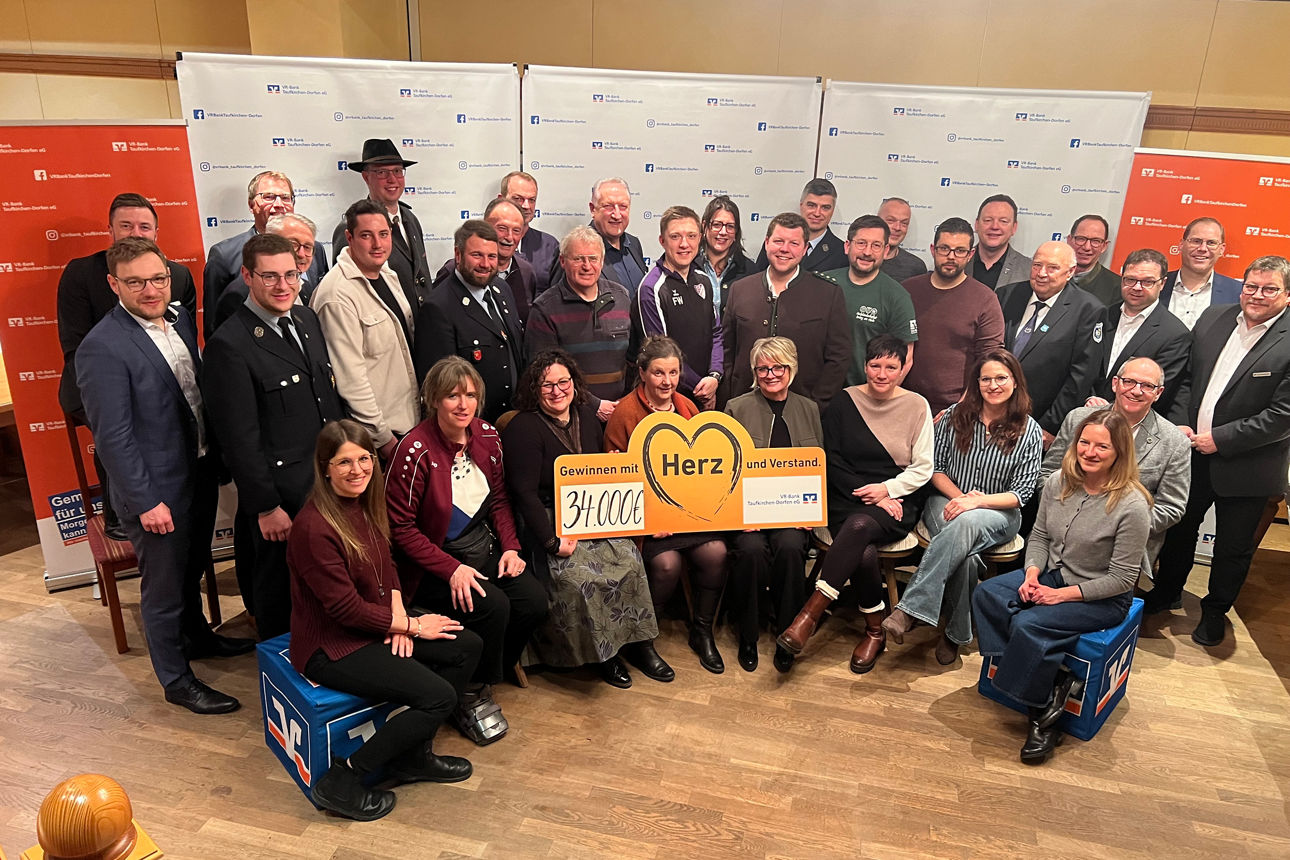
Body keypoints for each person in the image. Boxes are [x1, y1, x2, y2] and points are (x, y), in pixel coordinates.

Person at [77, 237, 251, 715]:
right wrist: (145, 500)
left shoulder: (174, 322)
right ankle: (176, 680)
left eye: (158, 278)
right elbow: (113, 437)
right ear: (115, 284)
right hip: (156, 492)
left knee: (191, 570)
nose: (150, 290)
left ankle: (197, 640)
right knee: (164, 588)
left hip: (194, 473)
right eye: (136, 282)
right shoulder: (102, 348)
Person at [288, 419, 483, 822]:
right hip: (332, 645)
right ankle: (341, 780)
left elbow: (387, 565)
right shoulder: (314, 527)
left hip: (373, 623)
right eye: (344, 463)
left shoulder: (363, 503)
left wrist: (397, 616)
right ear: (325, 468)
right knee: (438, 697)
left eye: (364, 459)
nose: (357, 469)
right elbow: (343, 610)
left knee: (467, 647)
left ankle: (413, 757)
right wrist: (409, 626)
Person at [972, 409, 1151, 765]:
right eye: (1085, 442)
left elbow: (1122, 579)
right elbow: (1038, 535)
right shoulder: (1057, 482)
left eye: (1103, 446)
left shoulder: (1133, 505)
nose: (1090, 451)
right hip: (1056, 573)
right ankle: (1050, 679)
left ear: (1120, 452)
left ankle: (1042, 714)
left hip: (1103, 596)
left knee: (1029, 623)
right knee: (987, 594)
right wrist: (1032, 574)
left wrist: (1059, 596)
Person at [385, 357, 548, 744]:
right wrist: (450, 569)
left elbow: (500, 501)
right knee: (494, 606)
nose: (463, 404)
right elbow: (401, 530)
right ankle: (470, 691)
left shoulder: (488, 437)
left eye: (470, 395)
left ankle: (491, 668)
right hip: (432, 563)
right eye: (452, 396)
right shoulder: (414, 450)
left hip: (484, 546)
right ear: (433, 400)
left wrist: (511, 547)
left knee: (533, 601)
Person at [202, 233, 347, 640]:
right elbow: (238, 438)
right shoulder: (229, 344)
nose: (283, 285)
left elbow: (324, 401)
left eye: (291, 274)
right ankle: (281, 671)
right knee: (278, 591)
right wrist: (265, 506)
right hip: (281, 496)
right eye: (270, 277)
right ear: (247, 276)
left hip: (324, 483)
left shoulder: (305, 319)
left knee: (325, 581)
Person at [501, 350, 664, 687]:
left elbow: (598, 469)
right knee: (583, 579)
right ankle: (605, 655)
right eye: (547, 385)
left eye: (563, 382)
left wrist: (613, 465)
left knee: (630, 560)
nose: (557, 391)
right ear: (535, 389)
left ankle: (639, 644)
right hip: (548, 519)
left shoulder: (587, 416)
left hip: (594, 512)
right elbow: (524, 494)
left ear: (574, 384)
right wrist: (550, 541)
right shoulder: (523, 427)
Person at [1150, 255, 1290, 647]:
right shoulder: (1214, 317)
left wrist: (1221, 439)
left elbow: (1283, 415)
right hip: (1191, 452)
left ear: (1287, 295)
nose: (1257, 295)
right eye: (1251, 286)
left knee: (1233, 547)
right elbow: (1187, 379)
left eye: (1269, 289)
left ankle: (1215, 612)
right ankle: (1165, 594)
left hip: (1250, 466)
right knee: (1178, 531)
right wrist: (1180, 422)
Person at [777, 335, 933, 674]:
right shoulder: (844, 402)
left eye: (891, 367)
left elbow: (923, 466)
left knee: (860, 528)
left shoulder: (918, 405)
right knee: (863, 550)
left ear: (903, 368)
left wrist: (888, 490)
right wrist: (869, 493)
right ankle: (875, 632)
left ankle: (809, 614)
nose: (882, 373)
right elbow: (831, 460)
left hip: (898, 496)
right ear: (865, 366)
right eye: (875, 365)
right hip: (846, 494)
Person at [882, 350, 1044, 664]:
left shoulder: (1029, 430)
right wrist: (961, 499)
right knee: (967, 558)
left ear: (1015, 382)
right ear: (976, 382)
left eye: (1001, 378)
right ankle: (956, 634)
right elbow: (936, 469)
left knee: (967, 525)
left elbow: (1021, 493)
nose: (993, 385)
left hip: (1000, 510)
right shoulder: (955, 416)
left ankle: (909, 608)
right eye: (986, 379)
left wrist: (977, 501)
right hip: (946, 500)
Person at [57, 192, 199, 541]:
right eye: (126, 225)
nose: (135, 232)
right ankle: (124, 508)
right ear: (111, 230)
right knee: (125, 430)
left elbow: (188, 346)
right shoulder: (81, 274)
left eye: (144, 226)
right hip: (97, 383)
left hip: (165, 383)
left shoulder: (178, 276)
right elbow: (77, 349)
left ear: (156, 232)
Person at [605, 337, 731, 674]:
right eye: (659, 373)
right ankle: (641, 641)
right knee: (666, 565)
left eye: (673, 372)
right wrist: (648, 521)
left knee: (717, 551)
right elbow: (616, 482)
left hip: (688, 514)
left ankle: (701, 632)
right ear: (642, 373)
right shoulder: (624, 413)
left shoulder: (687, 407)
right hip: (647, 520)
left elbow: (702, 467)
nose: (667, 381)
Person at [725, 336, 823, 673]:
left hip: (793, 514)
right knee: (750, 551)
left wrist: (810, 514)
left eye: (777, 366)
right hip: (747, 514)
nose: (770, 374)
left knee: (792, 547)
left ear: (791, 368)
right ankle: (747, 635)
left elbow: (816, 469)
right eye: (762, 368)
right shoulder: (736, 408)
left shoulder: (809, 409)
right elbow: (724, 472)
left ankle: (787, 634)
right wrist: (738, 515)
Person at [1044, 357, 1190, 582]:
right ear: (1115, 383)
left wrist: (1117, 527)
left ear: (1158, 393)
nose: (1136, 391)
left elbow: (1172, 507)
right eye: (1129, 381)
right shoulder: (1078, 419)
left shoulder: (1174, 442)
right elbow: (1047, 474)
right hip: (1061, 533)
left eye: (1147, 386)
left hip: (1123, 549)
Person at [312, 199, 419, 462]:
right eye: (366, 236)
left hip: (408, 425)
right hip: (378, 441)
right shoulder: (337, 295)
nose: (377, 244)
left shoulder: (386, 273)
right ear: (349, 237)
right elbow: (351, 380)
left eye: (383, 234)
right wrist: (384, 440)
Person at [721, 212, 850, 411]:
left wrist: (815, 404)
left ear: (805, 248)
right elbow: (727, 350)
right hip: (745, 406)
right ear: (766, 243)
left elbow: (838, 357)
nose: (784, 249)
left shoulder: (827, 294)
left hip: (802, 408)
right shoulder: (740, 289)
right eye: (778, 241)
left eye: (794, 243)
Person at [998, 241, 1107, 446]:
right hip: (995, 415)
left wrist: (1050, 426)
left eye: (1053, 267)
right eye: (1037, 265)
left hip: (1041, 425)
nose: (1042, 273)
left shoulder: (1088, 310)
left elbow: (1081, 376)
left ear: (1070, 272)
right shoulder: (1005, 295)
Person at [415, 220, 524, 422]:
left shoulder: (503, 290)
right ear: (458, 255)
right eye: (477, 255)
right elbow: (440, 386)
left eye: (492, 256)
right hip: (470, 425)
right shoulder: (438, 307)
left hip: (512, 420)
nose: (485, 264)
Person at [203, 170, 327, 338]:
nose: (279, 204)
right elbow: (215, 327)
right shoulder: (224, 255)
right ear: (251, 204)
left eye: (285, 198)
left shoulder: (314, 249)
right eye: (268, 197)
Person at [900, 217, 1004, 414]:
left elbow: (988, 360)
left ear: (970, 254)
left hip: (957, 408)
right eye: (944, 249)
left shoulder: (985, 299)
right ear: (933, 249)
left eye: (960, 251)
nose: (951, 257)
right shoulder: (908, 289)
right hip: (905, 402)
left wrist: (960, 408)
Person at [526, 226, 633, 419]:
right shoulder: (544, 309)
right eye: (578, 259)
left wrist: (628, 403)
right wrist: (594, 405)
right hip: (571, 417)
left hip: (621, 413)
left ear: (602, 262)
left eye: (593, 259)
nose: (586, 266)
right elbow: (543, 374)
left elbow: (634, 359)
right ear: (563, 262)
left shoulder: (622, 298)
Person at [634, 205, 722, 407]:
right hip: (670, 398)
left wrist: (714, 377)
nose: (684, 244)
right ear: (662, 241)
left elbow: (716, 332)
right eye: (675, 237)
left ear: (700, 238)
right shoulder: (651, 288)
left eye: (691, 236)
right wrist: (700, 386)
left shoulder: (704, 280)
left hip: (707, 390)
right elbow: (660, 354)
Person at [332, 139, 432, 313]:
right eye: (382, 172)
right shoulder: (350, 226)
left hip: (422, 327)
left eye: (397, 171)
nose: (392, 179)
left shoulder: (411, 218)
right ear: (366, 177)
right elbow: (348, 286)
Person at [1088, 249, 1190, 415]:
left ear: (1162, 283)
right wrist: (1089, 397)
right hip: (1084, 413)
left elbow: (1156, 392)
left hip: (1129, 425)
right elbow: (1084, 364)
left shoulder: (1175, 334)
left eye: (1147, 282)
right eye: (1130, 279)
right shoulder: (1102, 315)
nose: (1136, 287)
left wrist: (1107, 409)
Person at [819, 214, 918, 384]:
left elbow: (906, 357)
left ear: (886, 251)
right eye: (861, 243)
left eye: (876, 245)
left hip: (865, 397)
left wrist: (882, 396)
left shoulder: (896, 296)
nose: (867, 252)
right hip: (817, 394)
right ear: (847, 246)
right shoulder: (822, 283)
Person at [212, 212, 325, 334]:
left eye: (307, 247)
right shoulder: (240, 293)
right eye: (292, 245)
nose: (301, 254)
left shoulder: (306, 287)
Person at [434, 198, 539, 327]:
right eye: (502, 228)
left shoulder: (526, 271)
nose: (509, 237)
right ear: (486, 226)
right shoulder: (452, 270)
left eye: (516, 230)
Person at [1160, 217, 1242, 330]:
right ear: (1181, 245)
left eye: (1211, 243)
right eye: (1196, 241)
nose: (1203, 248)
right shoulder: (1155, 284)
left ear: (1222, 249)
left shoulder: (1237, 293)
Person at [754, 178, 846, 274]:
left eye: (825, 208)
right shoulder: (776, 244)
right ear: (801, 205)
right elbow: (759, 280)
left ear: (832, 210)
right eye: (811, 205)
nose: (817, 213)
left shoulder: (841, 253)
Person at [575, 177, 647, 293]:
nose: (617, 215)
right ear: (593, 209)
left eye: (623, 206)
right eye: (608, 206)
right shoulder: (577, 248)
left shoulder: (634, 244)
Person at [501, 170, 559, 295]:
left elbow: (557, 296)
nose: (526, 206)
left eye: (532, 200)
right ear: (501, 200)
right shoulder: (485, 243)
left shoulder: (550, 245)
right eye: (518, 199)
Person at [697, 195, 754, 315]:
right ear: (704, 226)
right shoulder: (688, 266)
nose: (723, 232)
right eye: (717, 225)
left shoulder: (750, 272)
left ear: (736, 232)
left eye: (730, 226)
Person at [971, 194, 1031, 290]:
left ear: (1014, 228)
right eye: (988, 220)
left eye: (1003, 221)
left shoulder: (1028, 270)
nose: (995, 226)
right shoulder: (959, 261)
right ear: (977, 225)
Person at [1067, 215, 1122, 306]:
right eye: (1081, 239)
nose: (1087, 247)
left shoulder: (1117, 288)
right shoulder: (1051, 276)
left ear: (1104, 246)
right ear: (1069, 240)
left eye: (1095, 241)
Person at [878, 196, 927, 283]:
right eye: (891, 221)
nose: (897, 228)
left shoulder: (916, 267)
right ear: (877, 221)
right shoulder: (858, 259)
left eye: (904, 223)